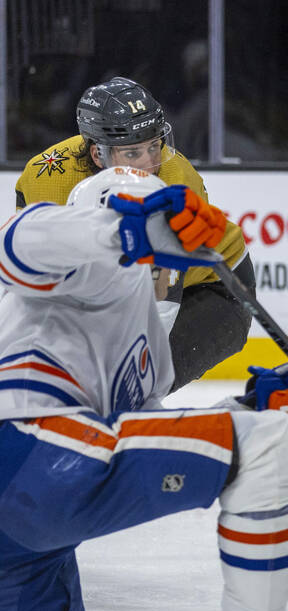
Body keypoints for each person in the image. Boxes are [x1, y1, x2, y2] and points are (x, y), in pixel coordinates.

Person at [0, 166, 288, 611]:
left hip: (28, 523)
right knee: (262, 445)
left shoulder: (148, 337)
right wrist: (127, 231)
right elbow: (19, 240)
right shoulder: (86, 268)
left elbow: (139, 442)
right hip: (20, 455)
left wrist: (263, 405)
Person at [14, 76, 254, 392]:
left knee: (133, 386)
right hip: (121, 281)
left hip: (214, 288)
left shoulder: (174, 182)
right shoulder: (46, 179)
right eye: (132, 153)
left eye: (155, 146)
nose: (149, 163)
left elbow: (159, 310)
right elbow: (33, 281)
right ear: (98, 154)